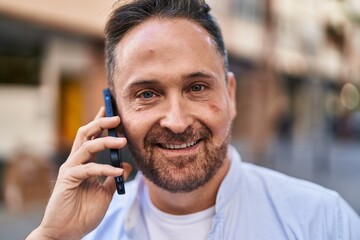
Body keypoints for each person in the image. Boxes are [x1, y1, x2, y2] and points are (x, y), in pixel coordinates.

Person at [27, 0, 360, 239]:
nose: (176, 121)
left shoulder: (322, 222)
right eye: (146, 94)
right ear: (115, 113)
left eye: (197, 87)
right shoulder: (86, 232)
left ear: (230, 95)